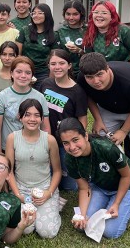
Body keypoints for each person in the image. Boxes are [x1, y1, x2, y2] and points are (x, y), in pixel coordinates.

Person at [77, 52, 130, 207]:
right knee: (101, 139)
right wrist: (98, 119)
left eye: (99, 75)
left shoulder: (127, 80)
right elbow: (87, 97)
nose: (95, 81)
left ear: (108, 69)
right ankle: (108, 176)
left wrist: (124, 131)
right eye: (90, 77)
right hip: (110, 106)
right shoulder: (82, 78)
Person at [58, 118, 130, 239]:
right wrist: (82, 215)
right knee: (82, 225)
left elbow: (126, 176)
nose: (72, 147)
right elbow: (83, 188)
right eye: (66, 143)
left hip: (127, 185)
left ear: (85, 136)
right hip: (100, 186)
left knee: (110, 232)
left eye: (75, 140)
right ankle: (108, 203)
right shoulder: (69, 159)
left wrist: (116, 204)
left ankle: (125, 203)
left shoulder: (106, 148)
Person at [5, 99, 62, 238]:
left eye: (37, 115)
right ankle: (38, 212)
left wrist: (48, 193)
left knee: (47, 233)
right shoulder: (12, 138)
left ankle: (54, 205)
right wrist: (18, 195)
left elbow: (58, 171)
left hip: (44, 188)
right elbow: (9, 171)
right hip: (21, 189)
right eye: (27, 114)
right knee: (26, 229)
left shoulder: (49, 140)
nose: (32, 119)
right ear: (20, 117)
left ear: (42, 118)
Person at [41, 49, 88, 190]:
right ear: (48, 66)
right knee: (47, 180)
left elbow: (82, 119)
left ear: (69, 65)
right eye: (53, 63)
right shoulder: (46, 84)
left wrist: (79, 141)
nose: (57, 67)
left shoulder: (77, 91)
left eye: (61, 63)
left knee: (69, 187)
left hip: (65, 142)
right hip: (47, 138)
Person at [0, 57, 50, 152]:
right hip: (9, 149)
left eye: (28, 73)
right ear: (11, 73)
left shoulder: (40, 97)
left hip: (34, 149)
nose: (23, 76)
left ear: (32, 76)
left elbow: (45, 127)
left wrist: (46, 149)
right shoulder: (2, 97)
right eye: (19, 72)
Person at [82, 0, 130, 66]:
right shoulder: (89, 32)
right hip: (103, 73)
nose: (99, 15)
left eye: (104, 13)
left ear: (112, 16)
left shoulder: (125, 31)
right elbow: (90, 58)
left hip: (127, 71)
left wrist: (128, 74)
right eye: (96, 12)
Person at [17, 3, 60, 91]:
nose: (36, 15)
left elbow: (55, 58)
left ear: (47, 15)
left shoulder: (54, 35)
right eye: (33, 13)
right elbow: (18, 54)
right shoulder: (25, 30)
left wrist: (50, 78)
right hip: (25, 70)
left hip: (43, 72)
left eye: (40, 13)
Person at [57, 0, 87, 77]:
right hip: (66, 72)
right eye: (68, 14)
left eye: (75, 14)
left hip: (85, 71)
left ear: (81, 14)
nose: (71, 17)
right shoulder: (60, 31)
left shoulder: (88, 30)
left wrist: (79, 51)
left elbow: (94, 54)